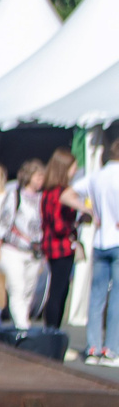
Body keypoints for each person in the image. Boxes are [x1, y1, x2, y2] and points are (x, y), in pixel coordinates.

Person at [0, 159, 47, 329]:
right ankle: (22, 326)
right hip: (13, 249)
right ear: (28, 176)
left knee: (29, 290)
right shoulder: (15, 195)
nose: (41, 181)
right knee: (17, 287)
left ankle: (22, 320)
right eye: (38, 177)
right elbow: (4, 222)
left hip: (35, 252)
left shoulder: (43, 198)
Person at [39, 148, 88, 331]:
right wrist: (75, 224)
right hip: (61, 246)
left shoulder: (48, 191)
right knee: (58, 292)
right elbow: (59, 226)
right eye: (73, 167)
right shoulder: (61, 193)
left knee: (57, 289)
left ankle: (52, 330)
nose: (75, 171)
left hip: (51, 244)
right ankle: (52, 331)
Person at [80, 139, 119, 364]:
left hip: (100, 240)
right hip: (117, 240)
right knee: (116, 298)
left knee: (96, 296)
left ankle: (92, 347)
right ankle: (111, 349)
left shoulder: (96, 176)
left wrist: (89, 212)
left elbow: (67, 193)